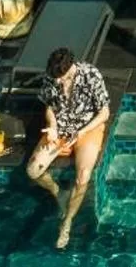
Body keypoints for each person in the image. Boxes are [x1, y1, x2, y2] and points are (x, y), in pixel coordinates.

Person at [27, 47, 110, 249]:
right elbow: (49, 107)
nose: (59, 84)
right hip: (61, 130)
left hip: (87, 129)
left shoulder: (91, 75)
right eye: (56, 80)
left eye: (63, 79)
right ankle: (58, 193)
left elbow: (105, 113)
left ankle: (67, 221)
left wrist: (81, 132)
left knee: (83, 177)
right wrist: (53, 126)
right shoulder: (51, 77)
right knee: (32, 171)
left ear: (71, 68)